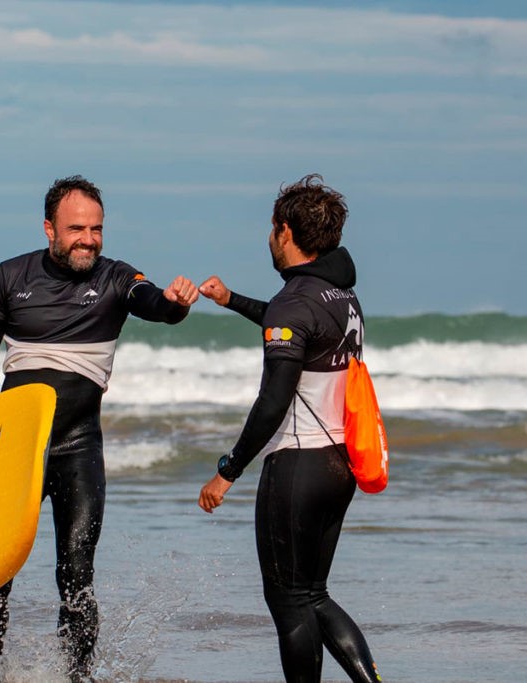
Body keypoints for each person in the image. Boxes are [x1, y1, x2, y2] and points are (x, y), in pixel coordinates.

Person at [0, 175, 199, 682]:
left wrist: (178, 302)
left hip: (79, 447)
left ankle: (78, 678)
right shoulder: (9, 279)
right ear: (49, 229)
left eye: (97, 229)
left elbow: (157, 305)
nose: (89, 240)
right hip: (13, 451)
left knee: (76, 575)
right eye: (77, 228)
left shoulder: (118, 279)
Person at [197, 174, 382, 683]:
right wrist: (232, 299)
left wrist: (227, 472)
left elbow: (274, 398)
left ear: (284, 231)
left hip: (297, 465)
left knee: (288, 599)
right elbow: (291, 325)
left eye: (270, 230)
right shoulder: (340, 298)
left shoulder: (294, 303)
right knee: (312, 594)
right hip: (338, 464)